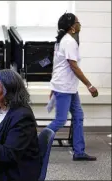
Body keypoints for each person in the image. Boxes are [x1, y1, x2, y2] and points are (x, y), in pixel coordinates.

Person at [47, 12, 98, 161]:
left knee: (78, 116)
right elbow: (73, 67)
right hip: (64, 87)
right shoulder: (69, 41)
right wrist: (89, 85)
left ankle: (79, 152)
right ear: (71, 27)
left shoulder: (63, 40)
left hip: (67, 87)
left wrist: (53, 86)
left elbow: (57, 66)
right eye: (77, 22)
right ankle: (34, 144)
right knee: (61, 120)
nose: (79, 24)